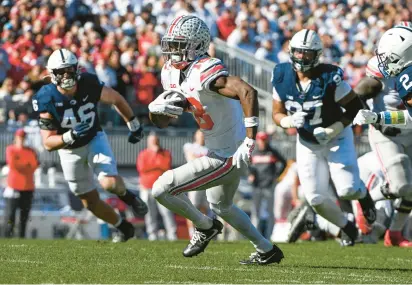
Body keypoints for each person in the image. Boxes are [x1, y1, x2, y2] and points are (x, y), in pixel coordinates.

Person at [148, 15, 283, 265]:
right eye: (172, 45)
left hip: (228, 153)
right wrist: (154, 111)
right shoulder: (169, 73)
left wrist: (250, 140)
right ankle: (266, 249)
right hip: (216, 150)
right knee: (223, 206)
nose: (173, 51)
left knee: (161, 189)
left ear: (197, 45)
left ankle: (205, 226)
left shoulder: (204, 69)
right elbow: (163, 122)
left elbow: (247, 91)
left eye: (180, 45)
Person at [271, 29, 376, 246]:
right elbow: (276, 112)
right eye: (298, 52)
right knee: (315, 199)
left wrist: (334, 129)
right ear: (291, 52)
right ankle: (346, 226)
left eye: (307, 54)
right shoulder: (281, 75)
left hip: (336, 137)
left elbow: (355, 107)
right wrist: (286, 121)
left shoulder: (330, 77)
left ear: (317, 55)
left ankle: (363, 194)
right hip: (307, 142)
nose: (301, 58)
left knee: (347, 189)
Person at [31, 48, 148, 242]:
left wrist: (133, 124)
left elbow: (116, 99)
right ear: (53, 74)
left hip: (94, 138)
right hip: (69, 151)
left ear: (77, 69)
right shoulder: (46, 97)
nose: (67, 76)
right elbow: (48, 142)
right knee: (90, 201)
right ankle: (123, 227)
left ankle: (128, 196)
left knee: (109, 183)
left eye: (69, 70)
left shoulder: (88, 83)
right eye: (61, 72)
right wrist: (70, 136)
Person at [353, 26, 412, 246]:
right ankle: (366, 200)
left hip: (398, 124)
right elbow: (362, 89)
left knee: (411, 189)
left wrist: (378, 116)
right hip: (387, 135)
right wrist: (358, 109)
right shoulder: (380, 67)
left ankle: (395, 234)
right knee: (401, 187)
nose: (385, 61)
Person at [137, 132, 177, 241]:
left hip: (162, 188)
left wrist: (154, 162)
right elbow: (142, 168)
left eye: (156, 140)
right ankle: (152, 234)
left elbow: (166, 166)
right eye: (152, 141)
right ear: (148, 142)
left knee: (167, 212)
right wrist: (157, 163)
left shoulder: (165, 153)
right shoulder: (143, 154)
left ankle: (172, 234)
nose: (155, 143)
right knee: (149, 213)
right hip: (146, 187)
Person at [248, 131, 286, 239]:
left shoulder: (272, 152)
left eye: (264, 140)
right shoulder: (253, 153)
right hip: (257, 186)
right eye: (261, 139)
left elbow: (283, 163)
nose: (262, 142)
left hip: (269, 185)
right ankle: (256, 236)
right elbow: (248, 165)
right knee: (256, 212)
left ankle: (269, 236)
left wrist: (276, 175)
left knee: (270, 213)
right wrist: (251, 174)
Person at [3, 129, 39, 238]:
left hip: (28, 187)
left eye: (23, 138)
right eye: (19, 137)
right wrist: (26, 165)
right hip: (14, 187)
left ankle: (21, 239)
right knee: (10, 216)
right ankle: (7, 239)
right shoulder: (11, 149)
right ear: (15, 138)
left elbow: (33, 166)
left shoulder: (30, 151)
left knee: (24, 218)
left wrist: (23, 165)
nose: (21, 140)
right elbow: (13, 165)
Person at [183, 129, 210, 238]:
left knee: (204, 208)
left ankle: (203, 231)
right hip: (194, 182)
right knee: (192, 208)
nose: (202, 136)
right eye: (200, 134)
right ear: (195, 135)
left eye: (204, 134)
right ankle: (191, 233)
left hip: (206, 182)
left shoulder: (208, 148)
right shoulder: (189, 146)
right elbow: (192, 161)